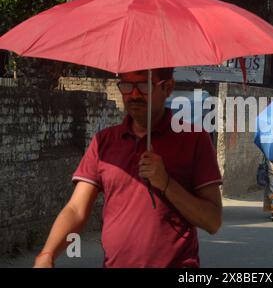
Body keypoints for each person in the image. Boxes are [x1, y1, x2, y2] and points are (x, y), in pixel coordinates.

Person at [33, 68, 223, 268]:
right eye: (126, 86)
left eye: (143, 86)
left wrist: (166, 183)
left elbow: (212, 221)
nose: (133, 95)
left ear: (168, 87)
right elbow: (76, 209)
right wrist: (48, 253)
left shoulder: (194, 139)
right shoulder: (104, 142)